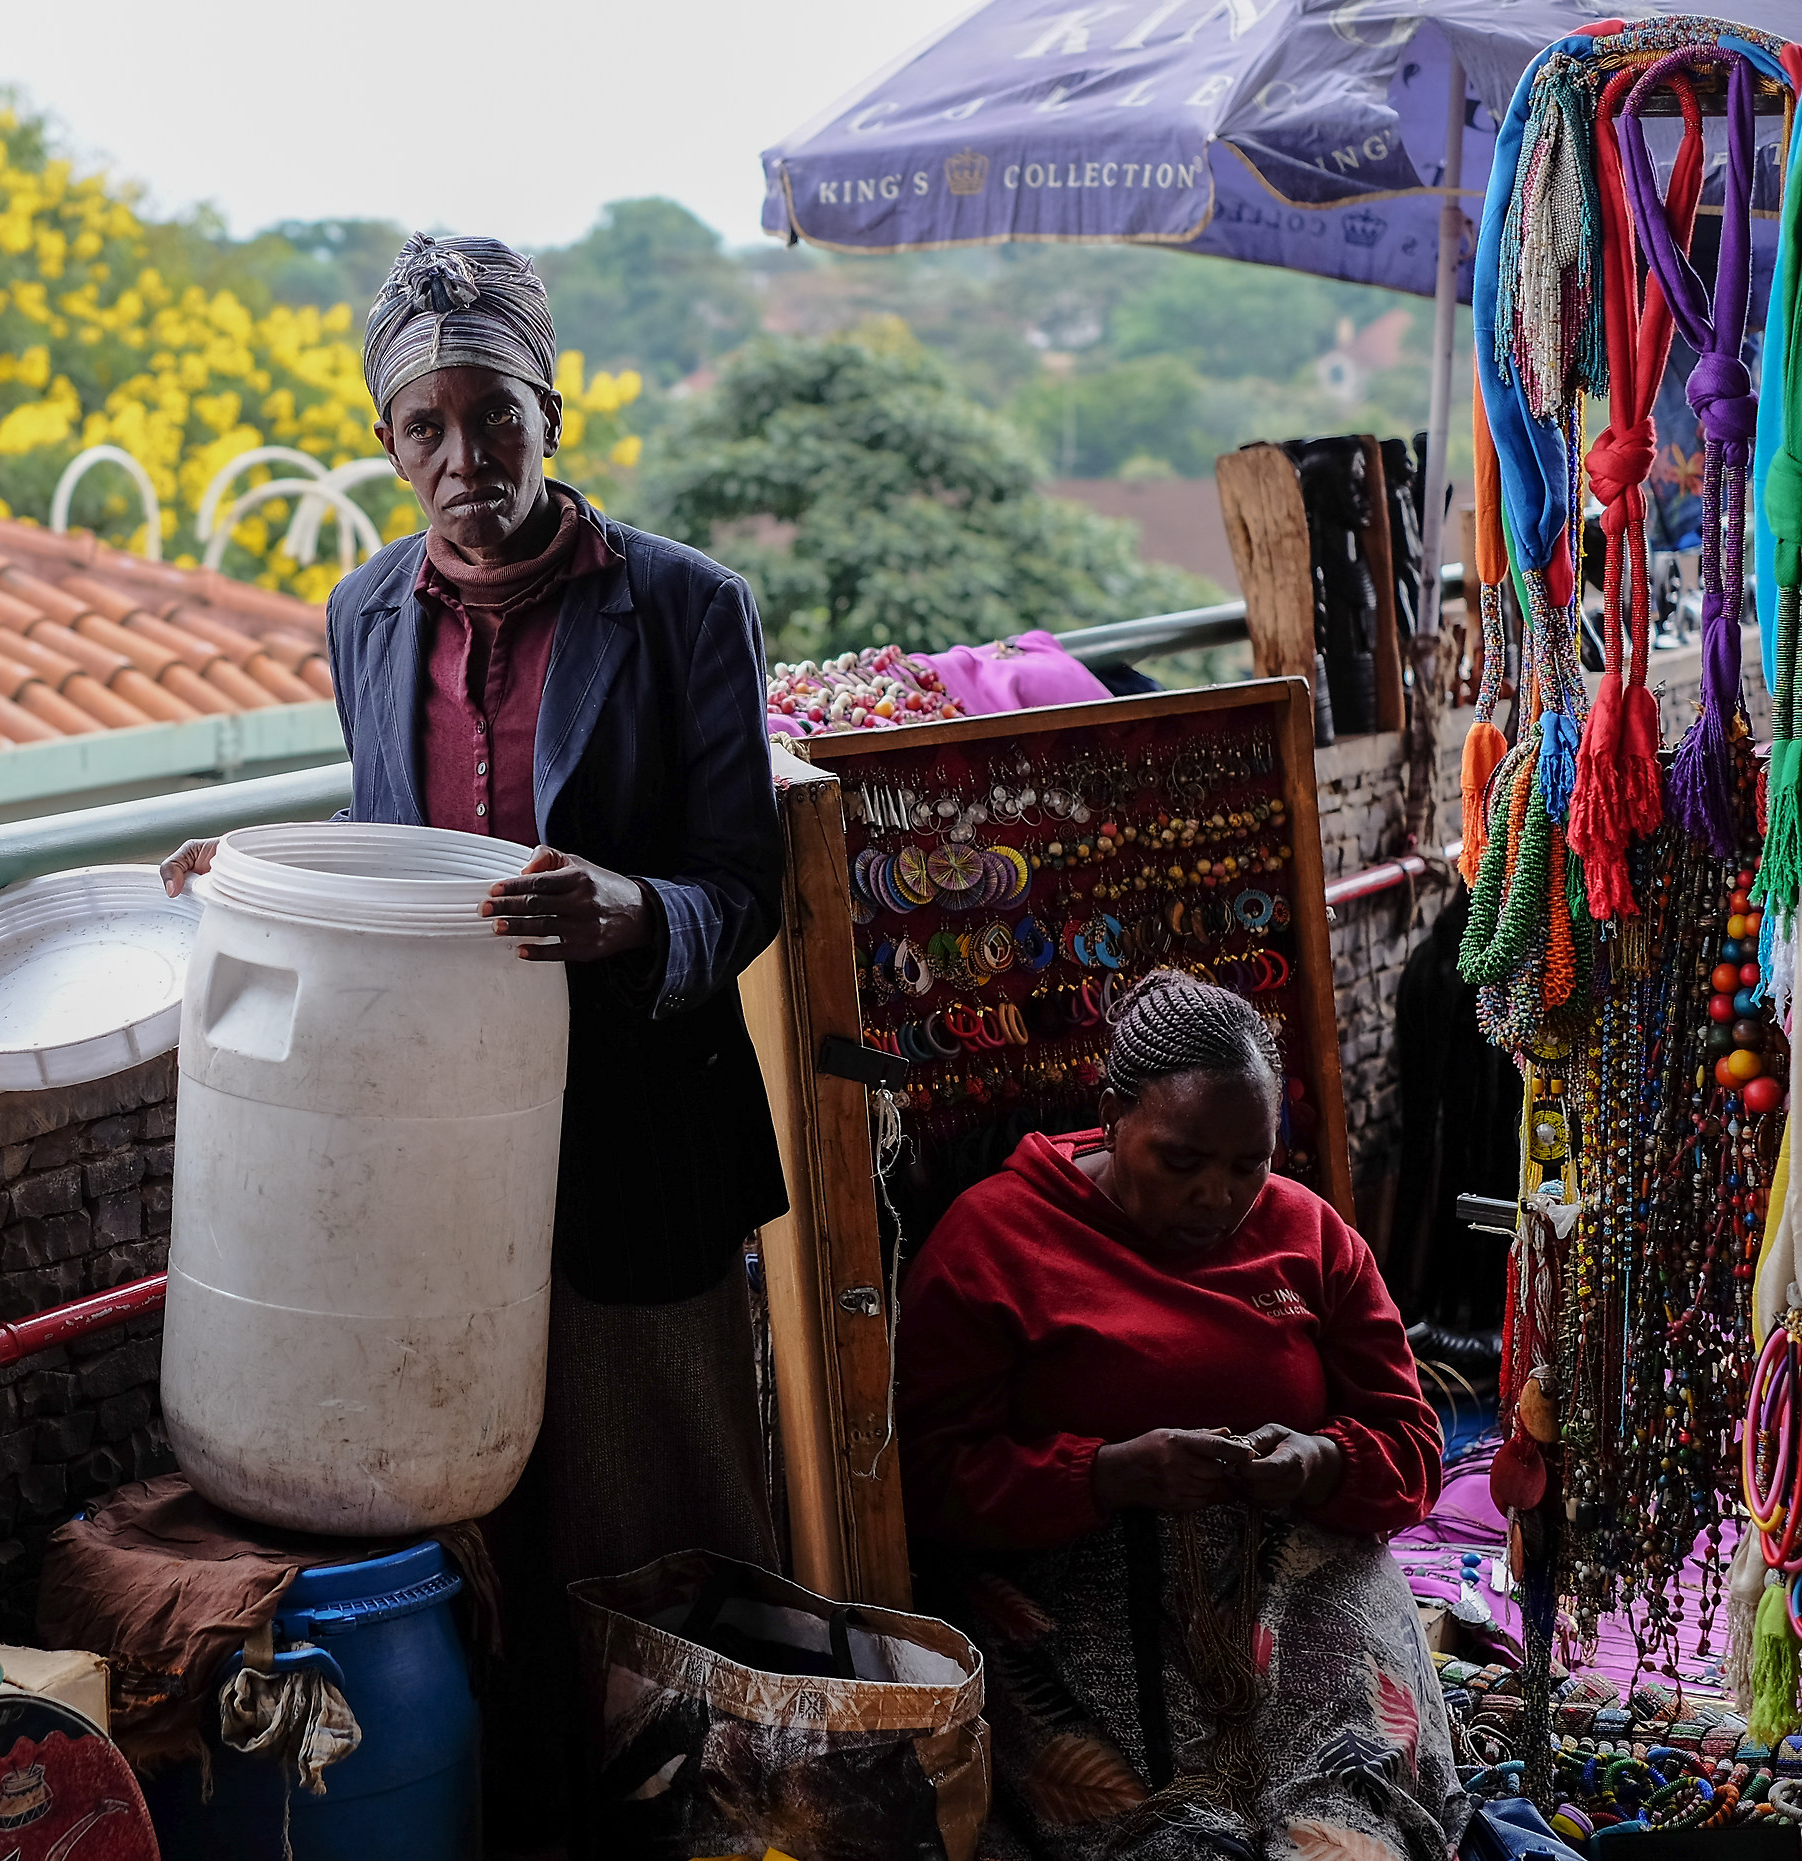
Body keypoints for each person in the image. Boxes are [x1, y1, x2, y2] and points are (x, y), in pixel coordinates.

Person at [161, 232, 787, 1856]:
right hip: (442, 1141)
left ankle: (706, 1817)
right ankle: (520, 1818)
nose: (464, 458)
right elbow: (384, 863)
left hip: (641, 1131)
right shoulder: (363, 614)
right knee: (467, 1511)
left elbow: (748, 883)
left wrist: (635, 914)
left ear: (550, 414)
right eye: (425, 427)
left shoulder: (686, 611)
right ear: (386, 444)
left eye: (493, 416)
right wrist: (255, 887)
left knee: (659, 1505)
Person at [896, 969, 1465, 1861]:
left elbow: (1412, 1446)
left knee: (1341, 1825)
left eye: (1251, 1163)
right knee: (1166, 1838)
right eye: (1182, 1160)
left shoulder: (1309, 1237)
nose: (1220, 1195)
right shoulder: (995, 1242)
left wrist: (1318, 1459)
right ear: (1113, 1113)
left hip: (1300, 1576)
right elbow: (925, 1481)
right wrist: (1107, 1472)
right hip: (1074, 1590)